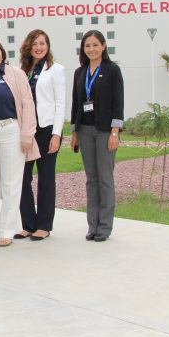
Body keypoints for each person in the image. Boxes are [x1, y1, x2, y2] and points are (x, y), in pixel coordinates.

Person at [0, 39, 39, 247]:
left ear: (2, 53)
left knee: (11, 182)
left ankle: (7, 229)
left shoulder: (15, 74)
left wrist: (27, 134)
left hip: (11, 131)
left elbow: (27, 104)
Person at [70, 30, 124, 242]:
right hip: (84, 130)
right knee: (91, 179)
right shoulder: (80, 72)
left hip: (104, 132)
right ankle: (92, 226)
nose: (91, 49)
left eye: (95, 45)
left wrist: (114, 132)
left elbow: (118, 102)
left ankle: (104, 227)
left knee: (105, 179)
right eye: (87, 46)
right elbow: (76, 103)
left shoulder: (112, 70)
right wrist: (74, 131)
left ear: (103, 46)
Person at [17, 29, 65, 241]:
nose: (38, 47)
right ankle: (28, 224)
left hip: (46, 130)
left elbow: (60, 103)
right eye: (35, 43)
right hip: (27, 131)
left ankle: (44, 225)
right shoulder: (22, 70)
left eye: (42, 43)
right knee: (23, 178)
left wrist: (56, 134)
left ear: (48, 46)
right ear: (29, 46)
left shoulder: (56, 70)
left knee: (46, 178)